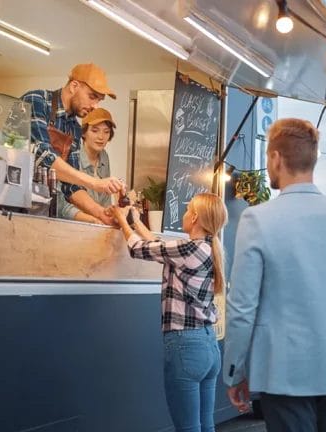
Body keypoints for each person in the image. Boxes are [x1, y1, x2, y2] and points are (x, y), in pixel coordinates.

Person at [222, 118, 326, 432]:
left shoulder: (257, 219)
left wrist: (235, 370)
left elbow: (242, 308)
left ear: (276, 158)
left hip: (282, 370)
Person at [109, 193, 228, 432]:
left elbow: (138, 248)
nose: (184, 213)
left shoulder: (188, 248)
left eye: (187, 209)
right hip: (209, 345)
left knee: (188, 428)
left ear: (194, 218)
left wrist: (121, 219)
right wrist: (136, 221)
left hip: (185, 346)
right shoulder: (204, 248)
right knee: (206, 426)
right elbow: (158, 246)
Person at [22, 63, 124, 224]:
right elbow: (43, 156)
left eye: (99, 100)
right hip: (15, 207)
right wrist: (95, 183)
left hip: (45, 213)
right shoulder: (36, 101)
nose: (95, 106)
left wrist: (101, 213)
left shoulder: (74, 128)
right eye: (92, 97)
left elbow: (71, 187)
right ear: (74, 86)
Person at [56, 108, 117, 224]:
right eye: (95, 131)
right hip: (70, 224)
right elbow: (60, 205)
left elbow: (105, 201)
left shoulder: (104, 157)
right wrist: (93, 220)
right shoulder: (71, 154)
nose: (101, 137)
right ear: (83, 132)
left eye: (106, 132)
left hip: (96, 225)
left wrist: (110, 215)